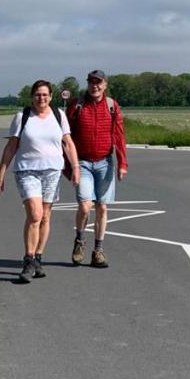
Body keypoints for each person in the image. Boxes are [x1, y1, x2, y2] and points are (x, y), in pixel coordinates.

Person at [0, 81, 79, 284]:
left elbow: (67, 143)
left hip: (52, 171)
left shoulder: (59, 115)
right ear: (32, 97)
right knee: (35, 215)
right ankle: (28, 259)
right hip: (27, 171)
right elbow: (11, 146)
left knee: (46, 217)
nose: (41, 98)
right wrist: (1, 173)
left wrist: (75, 167)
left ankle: (38, 257)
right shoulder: (22, 117)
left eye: (45, 95)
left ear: (51, 97)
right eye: (37, 95)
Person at [66, 69, 126, 268]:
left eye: (98, 82)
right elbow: (65, 137)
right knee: (85, 206)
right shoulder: (77, 105)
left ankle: (98, 251)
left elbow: (119, 135)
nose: (95, 86)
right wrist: (68, 165)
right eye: (92, 82)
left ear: (105, 84)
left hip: (105, 162)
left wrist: (122, 163)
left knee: (102, 207)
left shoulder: (112, 106)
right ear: (88, 84)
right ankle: (80, 241)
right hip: (82, 162)